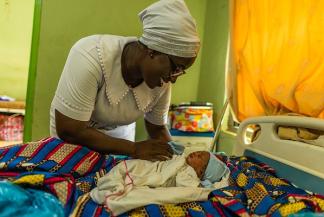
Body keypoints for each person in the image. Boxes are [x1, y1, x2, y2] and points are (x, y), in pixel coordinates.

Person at [49, 0, 201, 161]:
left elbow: (157, 129)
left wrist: (181, 160)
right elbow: (70, 130)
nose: (174, 79)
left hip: (122, 144)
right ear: (153, 51)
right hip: (74, 144)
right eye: (176, 68)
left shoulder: (161, 81)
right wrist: (133, 148)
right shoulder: (90, 55)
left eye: (181, 72)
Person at [90, 151, 230, 215]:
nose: (196, 153)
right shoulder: (181, 159)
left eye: (200, 157)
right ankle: (120, 179)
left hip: (157, 175)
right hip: (154, 167)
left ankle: (119, 186)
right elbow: (163, 164)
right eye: (198, 152)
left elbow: (186, 186)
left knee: (135, 171)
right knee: (134, 165)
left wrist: (205, 187)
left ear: (200, 172)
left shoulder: (190, 173)